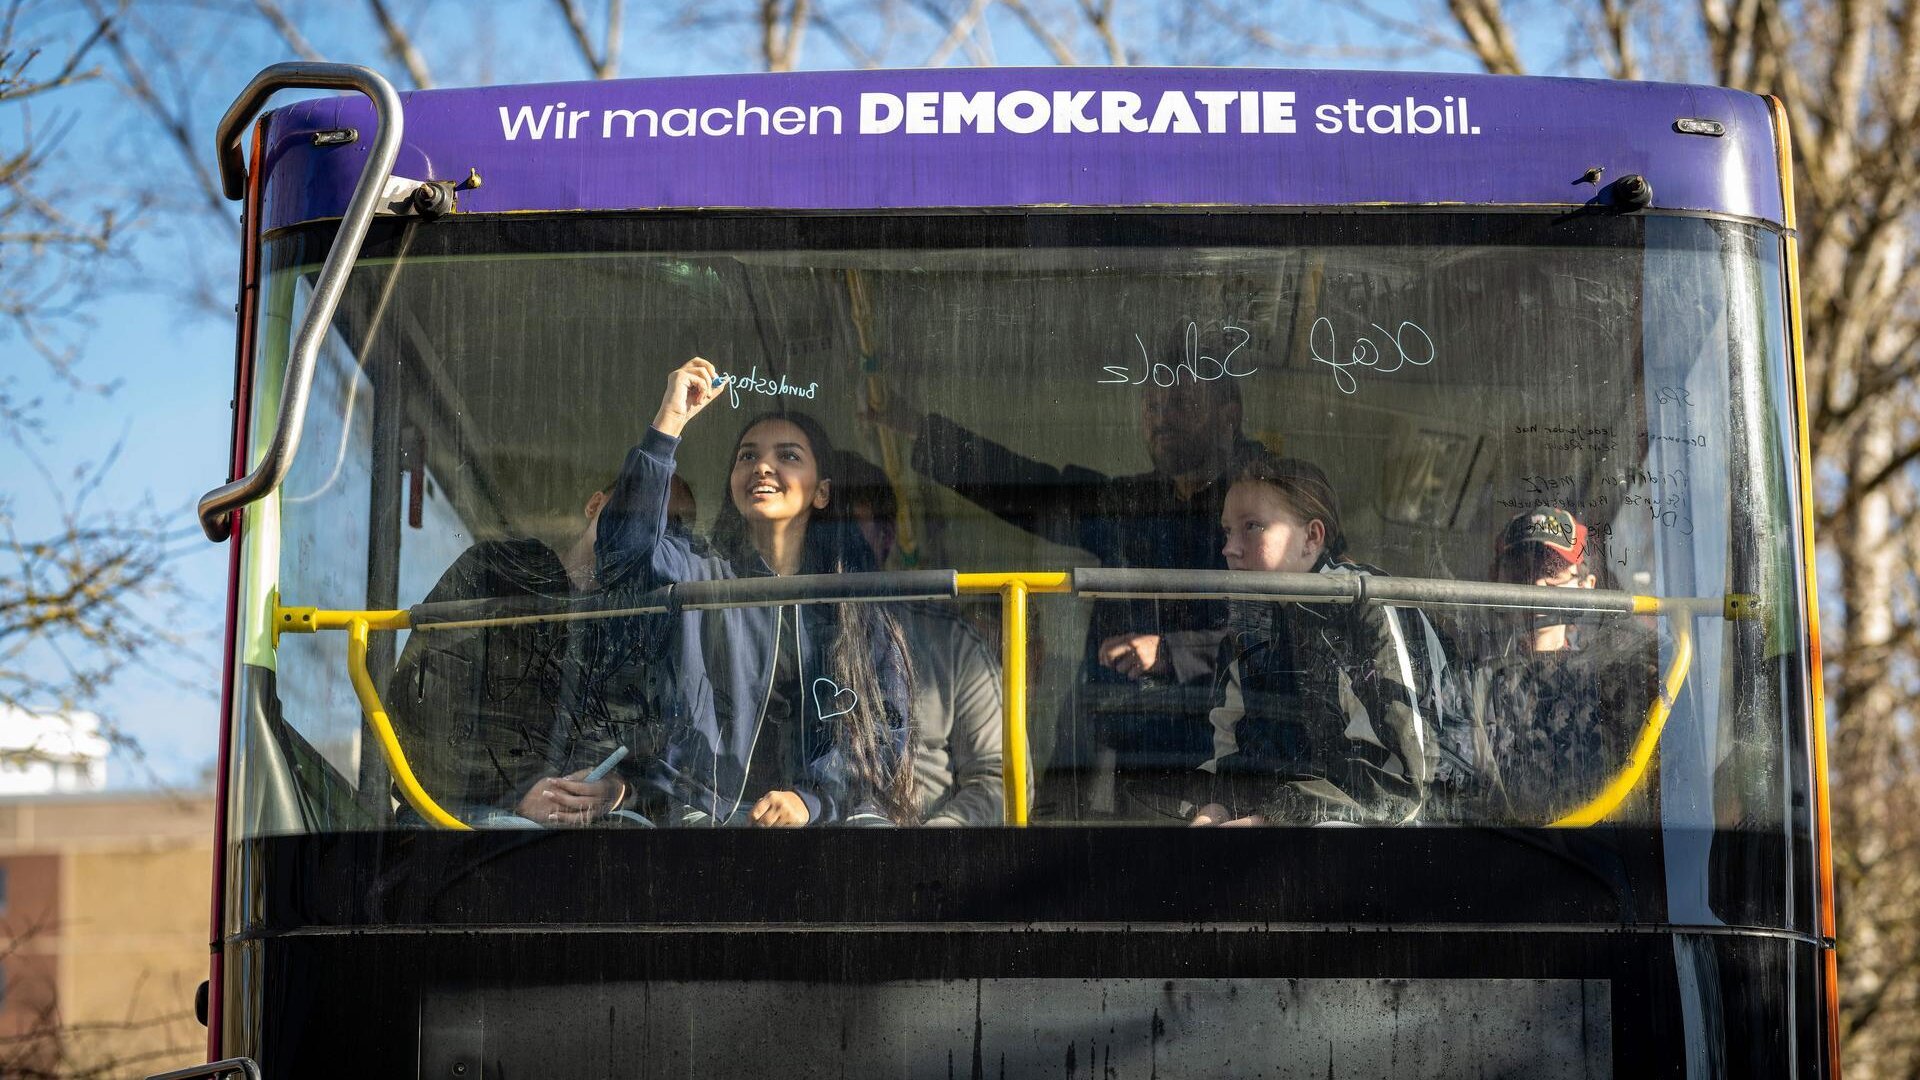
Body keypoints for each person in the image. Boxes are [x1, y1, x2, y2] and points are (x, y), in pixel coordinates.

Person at [871, 320, 1263, 816]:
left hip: (1227, 755)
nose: (1161, 418)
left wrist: (1173, 652)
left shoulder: (1264, 504)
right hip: (1123, 754)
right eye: (1151, 405)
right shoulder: (1130, 500)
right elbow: (1035, 490)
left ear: (1230, 418)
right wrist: (925, 432)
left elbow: (1278, 627)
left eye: (1180, 403)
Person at [597, 357, 917, 826]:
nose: (762, 467)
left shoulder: (854, 605)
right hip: (699, 822)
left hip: (826, 830)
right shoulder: (697, 572)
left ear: (822, 492)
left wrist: (812, 802)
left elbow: (881, 733)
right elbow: (622, 552)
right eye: (747, 456)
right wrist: (669, 422)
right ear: (732, 483)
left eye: (787, 456)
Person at [387, 481, 673, 828]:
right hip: (455, 813)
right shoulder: (496, 571)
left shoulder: (643, 632)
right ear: (595, 503)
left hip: (589, 829)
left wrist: (620, 789)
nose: (647, 526)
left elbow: (660, 748)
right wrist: (516, 791)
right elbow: (421, 707)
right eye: (639, 505)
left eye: (667, 524)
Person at [1190, 454, 1456, 827]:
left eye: (1252, 527)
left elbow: (1404, 785)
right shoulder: (1249, 626)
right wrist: (1216, 806)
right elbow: (1238, 752)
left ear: (1311, 538)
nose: (1229, 549)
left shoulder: (1365, 607)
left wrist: (1272, 819)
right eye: (1227, 531)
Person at [837, 451, 1009, 826]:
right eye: (826, 526)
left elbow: (1000, 778)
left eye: (851, 526)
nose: (838, 542)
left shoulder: (949, 643)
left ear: (887, 537)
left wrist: (930, 845)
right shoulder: (774, 635)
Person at [1471, 506, 1657, 821]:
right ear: (1496, 579)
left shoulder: (1613, 680)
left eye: (1553, 568)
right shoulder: (1470, 679)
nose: (1537, 584)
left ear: (1587, 585)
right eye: (1520, 569)